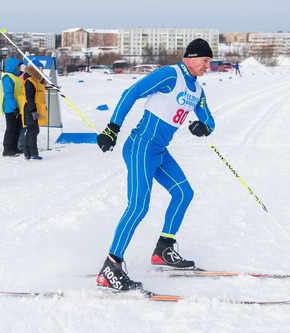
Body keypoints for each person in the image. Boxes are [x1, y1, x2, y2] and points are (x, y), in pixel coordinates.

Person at [95, 38, 215, 291]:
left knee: (184, 193)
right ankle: (110, 267)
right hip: (140, 147)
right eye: (205, 61)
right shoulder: (170, 75)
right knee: (138, 207)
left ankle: (163, 249)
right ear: (192, 57)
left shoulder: (197, 90)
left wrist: (204, 127)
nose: (208, 66)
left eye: (209, 62)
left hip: (159, 151)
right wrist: (112, 128)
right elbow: (132, 92)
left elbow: (208, 119)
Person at [22, 61, 46, 160]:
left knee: (33, 131)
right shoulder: (30, 81)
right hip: (30, 109)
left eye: (42, 68)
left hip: (36, 109)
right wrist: (33, 111)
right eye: (39, 68)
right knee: (32, 131)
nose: (41, 70)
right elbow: (30, 97)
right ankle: (33, 154)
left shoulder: (39, 81)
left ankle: (27, 153)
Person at [1, 58, 24, 156]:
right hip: (11, 108)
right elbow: (8, 94)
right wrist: (14, 107)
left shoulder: (17, 77)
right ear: (13, 67)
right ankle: (7, 149)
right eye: (17, 66)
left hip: (18, 107)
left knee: (18, 128)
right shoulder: (7, 77)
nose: (19, 68)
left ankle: (14, 147)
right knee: (11, 129)